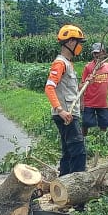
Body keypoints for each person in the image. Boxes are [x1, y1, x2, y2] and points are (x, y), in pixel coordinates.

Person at [44, 24, 87, 175]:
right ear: (70, 42)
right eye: (79, 42)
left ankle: (64, 183)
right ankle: (78, 184)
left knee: (69, 151)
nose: (80, 46)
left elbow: (68, 89)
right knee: (78, 150)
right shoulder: (60, 63)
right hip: (66, 114)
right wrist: (60, 110)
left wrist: (85, 83)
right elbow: (49, 87)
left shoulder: (68, 64)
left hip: (69, 112)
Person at [80, 42, 108, 133]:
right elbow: (82, 85)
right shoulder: (88, 67)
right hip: (89, 102)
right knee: (86, 123)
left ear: (104, 53)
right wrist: (81, 101)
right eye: (94, 53)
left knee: (104, 123)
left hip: (102, 103)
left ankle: (102, 140)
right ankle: (83, 139)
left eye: (98, 52)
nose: (96, 55)